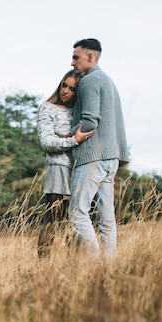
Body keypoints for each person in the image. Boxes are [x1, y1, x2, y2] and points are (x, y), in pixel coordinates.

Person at [68, 38, 129, 259]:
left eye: (76, 57)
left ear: (90, 57)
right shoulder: (109, 81)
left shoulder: (90, 81)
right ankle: (106, 269)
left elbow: (91, 121)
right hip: (110, 158)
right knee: (106, 219)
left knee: (77, 213)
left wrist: (66, 135)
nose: (72, 62)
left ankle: (93, 264)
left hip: (92, 157)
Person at [37, 69, 94, 258]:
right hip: (59, 167)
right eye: (64, 85)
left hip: (82, 166)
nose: (66, 91)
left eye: (72, 88)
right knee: (53, 219)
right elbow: (47, 143)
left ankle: (74, 262)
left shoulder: (80, 111)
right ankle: (43, 263)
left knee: (78, 218)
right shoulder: (47, 108)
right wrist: (72, 140)